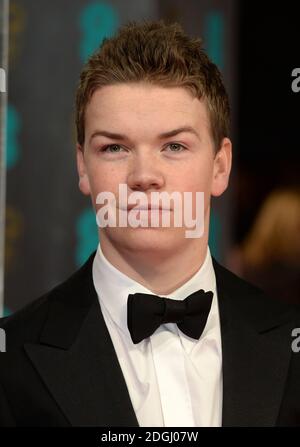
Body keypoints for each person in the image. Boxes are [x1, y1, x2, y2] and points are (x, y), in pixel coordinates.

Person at [0, 19, 300, 427]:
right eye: (114, 147)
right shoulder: (10, 359)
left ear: (220, 166)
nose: (144, 176)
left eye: (174, 145)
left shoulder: (289, 342)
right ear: (82, 167)